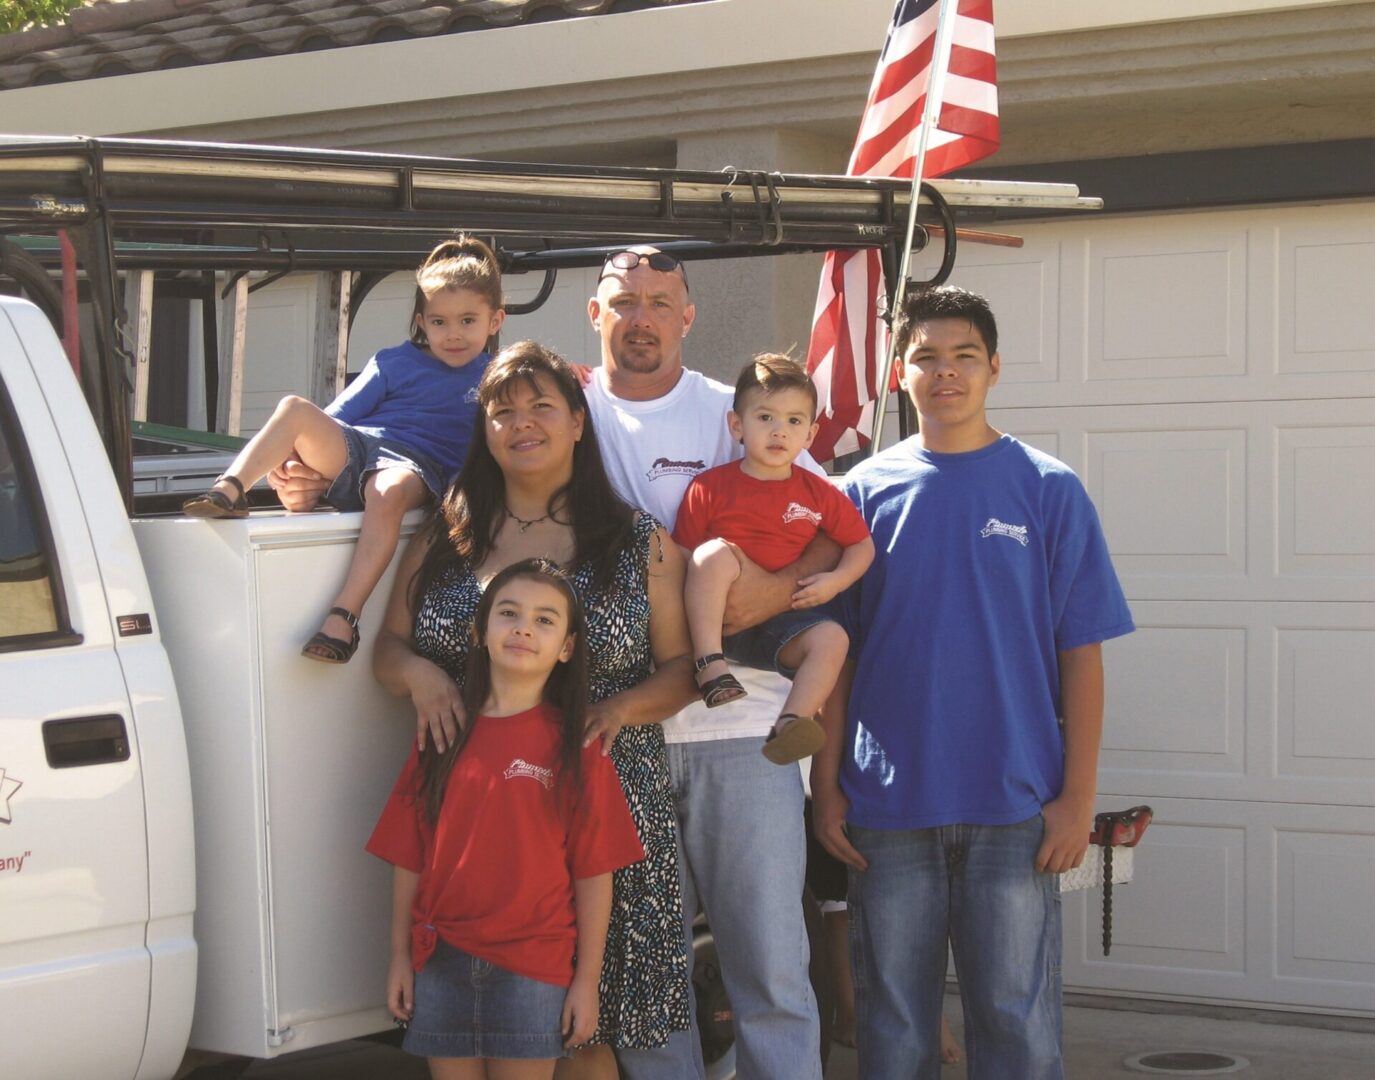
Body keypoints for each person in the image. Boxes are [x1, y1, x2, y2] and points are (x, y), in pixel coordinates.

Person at [811, 286, 1135, 1079]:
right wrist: (827, 787)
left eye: (962, 356)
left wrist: (1076, 800)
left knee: (1015, 1026)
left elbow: (1081, 654)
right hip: (886, 810)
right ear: (898, 373)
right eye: (924, 357)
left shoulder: (1047, 489)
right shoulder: (857, 495)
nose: (943, 373)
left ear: (993, 368)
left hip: (1016, 808)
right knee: (893, 1030)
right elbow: (834, 656)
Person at [373, 341, 697, 1080]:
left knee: (588, 1035)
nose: (522, 423)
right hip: (477, 831)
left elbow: (682, 671)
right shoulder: (444, 537)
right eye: (502, 410)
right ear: (483, 429)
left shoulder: (637, 541)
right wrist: (419, 674)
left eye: (541, 406)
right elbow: (388, 650)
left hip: (602, 817)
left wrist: (616, 711)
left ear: (578, 422)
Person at [582, 247, 829, 1080]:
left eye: (659, 301)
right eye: (624, 301)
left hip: (742, 721)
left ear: (688, 317)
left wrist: (775, 589)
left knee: (768, 963)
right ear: (595, 314)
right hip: (622, 728)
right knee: (648, 973)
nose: (641, 316)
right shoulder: (566, 414)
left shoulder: (742, 412)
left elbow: (834, 525)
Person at [367, 558, 646, 1077]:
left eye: (545, 620)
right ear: (480, 631)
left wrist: (586, 981)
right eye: (509, 612)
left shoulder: (577, 746)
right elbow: (408, 855)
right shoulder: (441, 731)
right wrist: (399, 957)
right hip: (441, 960)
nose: (523, 627)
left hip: (534, 968)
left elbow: (594, 873)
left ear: (566, 648)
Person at [183, 235, 505, 664]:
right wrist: (298, 471)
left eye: (468, 320)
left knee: (387, 490)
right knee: (294, 409)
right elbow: (330, 420)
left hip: (420, 469)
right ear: (421, 321)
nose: (453, 334)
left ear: (495, 319)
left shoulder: (499, 378)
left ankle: (343, 618)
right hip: (363, 447)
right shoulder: (393, 362)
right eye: (439, 322)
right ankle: (230, 488)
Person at [671, 353, 874, 765]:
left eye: (794, 421)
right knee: (713, 555)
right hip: (716, 624)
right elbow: (684, 558)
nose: (780, 431)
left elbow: (861, 545)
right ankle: (709, 666)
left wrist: (834, 582)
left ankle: (791, 723)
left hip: (782, 625)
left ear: (811, 433)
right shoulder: (709, 487)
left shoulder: (818, 492)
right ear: (736, 426)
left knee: (833, 638)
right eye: (765, 418)